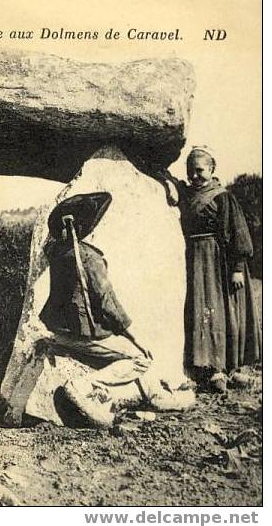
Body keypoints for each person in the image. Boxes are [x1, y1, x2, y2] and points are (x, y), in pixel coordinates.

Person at [39, 192, 195, 427]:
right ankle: (83, 386)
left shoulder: (58, 252)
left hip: (59, 327)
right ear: (83, 227)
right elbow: (107, 303)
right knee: (140, 357)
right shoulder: (89, 257)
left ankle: (155, 395)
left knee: (133, 347)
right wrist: (135, 335)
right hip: (81, 333)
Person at [179, 146, 261, 391]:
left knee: (225, 311)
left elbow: (239, 233)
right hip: (194, 260)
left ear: (212, 169)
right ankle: (210, 369)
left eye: (199, 171)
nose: (194, 176)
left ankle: (231, 369)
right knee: (203, 311)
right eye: (190, 171)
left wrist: (237, 267)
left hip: (219, 261)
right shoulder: (186, 195)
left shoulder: (223, 197)